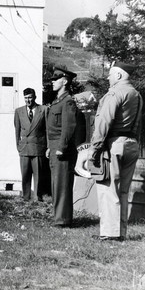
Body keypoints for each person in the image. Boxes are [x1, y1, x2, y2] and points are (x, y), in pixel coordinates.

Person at [89, 62, 143, 241]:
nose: (107, 78)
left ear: (119, 76)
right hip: (132, 144)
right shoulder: (137, 95)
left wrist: (95, 148)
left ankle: (110, 233)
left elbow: (104, 122)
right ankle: (121, 232)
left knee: (108, 188)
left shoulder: (114, 93)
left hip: (114, 145)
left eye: (110, 75)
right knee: (124, 191)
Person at [46, 66, 79, 227]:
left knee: (62, 184)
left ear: (64, 81)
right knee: (56, 184)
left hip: (62, 148)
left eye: (55, 79)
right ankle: (58, 217)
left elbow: (68, 127)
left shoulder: (68, 102)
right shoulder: (57, 101)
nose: (52, 82)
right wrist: (49, 147)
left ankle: (62, 220)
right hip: (54, 146)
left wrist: (62, 146)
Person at [14, 88, 48, 201]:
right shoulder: (19, 111)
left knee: (38, 174)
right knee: (25, 174)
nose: (28, 100)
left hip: (38, 147)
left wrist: (47, 147)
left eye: (30, 97)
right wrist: (19, 146)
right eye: (26, 98)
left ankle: (37, 198)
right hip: (25, 147)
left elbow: (47, 130)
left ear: (35, 97)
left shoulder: (43, 110)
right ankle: (26, 197)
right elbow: (17, 130)